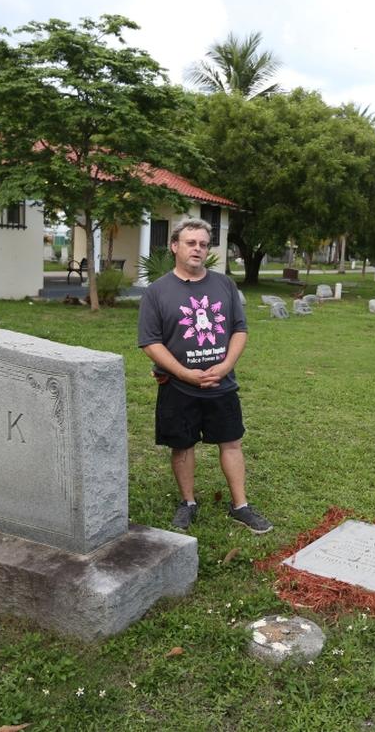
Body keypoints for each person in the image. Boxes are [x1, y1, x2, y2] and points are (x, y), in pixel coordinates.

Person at [137, 218, 272, 534]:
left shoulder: (224, 285)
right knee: (182, 446)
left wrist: (225, 366)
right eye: (190, 242)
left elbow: (239, 330)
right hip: (177, 386)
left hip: (221, 385)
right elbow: (150, 342)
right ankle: (188, 503)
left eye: (202, 244)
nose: (197, 249)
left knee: (232, 442)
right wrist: (184, 372)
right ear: (175, 246)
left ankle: (240, 505)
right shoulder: (157, 292)